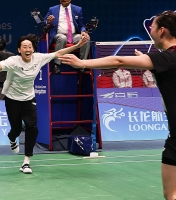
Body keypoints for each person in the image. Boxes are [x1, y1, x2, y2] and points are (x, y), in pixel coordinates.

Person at [58, 10, 176, 200]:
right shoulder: (164, 59)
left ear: (162, 31)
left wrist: (82, 62)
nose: (150, 30)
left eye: (152, 27)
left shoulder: (164, 59)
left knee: (171, 195)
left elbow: (118, 60)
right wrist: (149, 62)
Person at [0, 34, 88, 174]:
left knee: (32, 127)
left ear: (33, 49)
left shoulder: (38, 58)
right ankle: (12, 138)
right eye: (24, 47)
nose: (28, 49)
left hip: (29, 98)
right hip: (12, 98)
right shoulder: (13, 61)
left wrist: (77, 46)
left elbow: (58, 53)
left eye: (30, 47)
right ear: (19, 50)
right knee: (16, 130)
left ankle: (26, 161)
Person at [44, 0, 90, 73]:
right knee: (62, 38)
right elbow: (44, 21)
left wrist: (83, 31)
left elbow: (81, 25)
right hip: (58, 34)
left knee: (85, 39)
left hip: (73, 35)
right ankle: (56, 65)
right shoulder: (52, 9)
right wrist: (48, 21)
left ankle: (82, 64)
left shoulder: (78, 9)